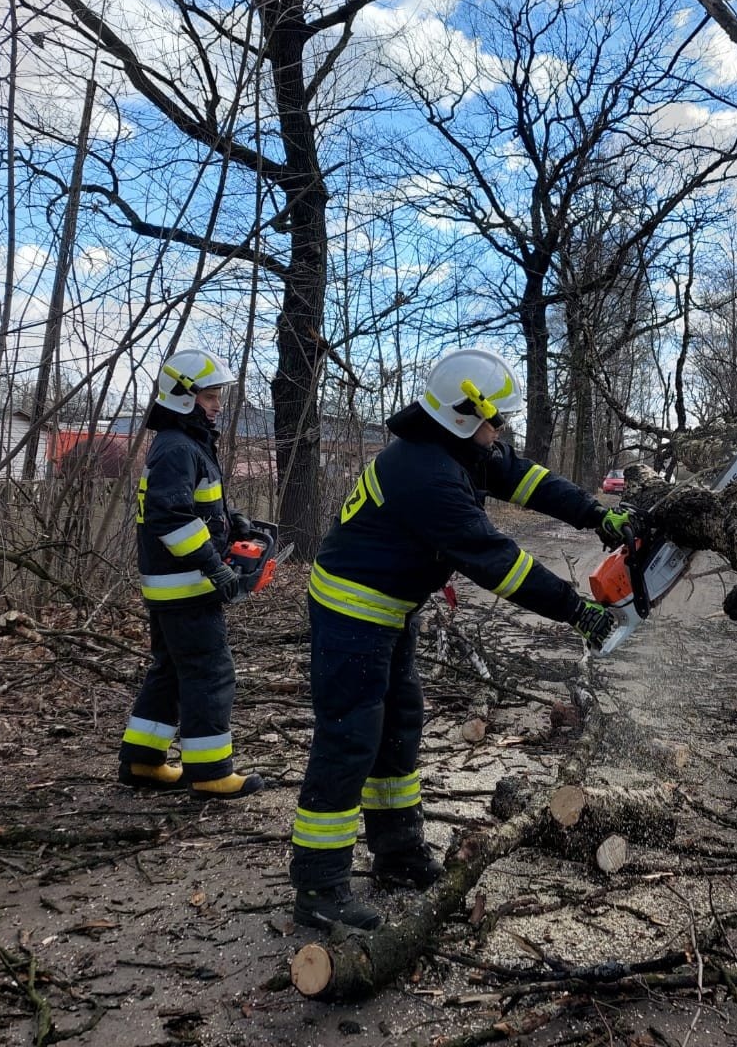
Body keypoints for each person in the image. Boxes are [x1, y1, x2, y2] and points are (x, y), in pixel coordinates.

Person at [290, 346, 641, 932]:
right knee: (351, 736)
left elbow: (526, 478)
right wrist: (576, 612)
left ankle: (398, 853)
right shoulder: (424, 474)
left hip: (390, 608)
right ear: (463, 415)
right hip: (352, 610)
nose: (500, 430)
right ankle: (319, 885)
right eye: (493, 419)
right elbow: (497, 563)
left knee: (400, 724)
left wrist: (594, 515)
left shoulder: (459, 445)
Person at [118, 348, 266, 801]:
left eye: (218, 395)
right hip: (185, 585)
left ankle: (143, 761)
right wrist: (215, 566)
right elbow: (170, 518)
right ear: (184, 397)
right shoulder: (178, 447)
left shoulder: (184, 444)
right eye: (210, 395)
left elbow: (197, 505)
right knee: (209, 672)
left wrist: (232, 520)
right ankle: (210, 771)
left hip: (171, 586)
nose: (217, 404)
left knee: (170, 670)